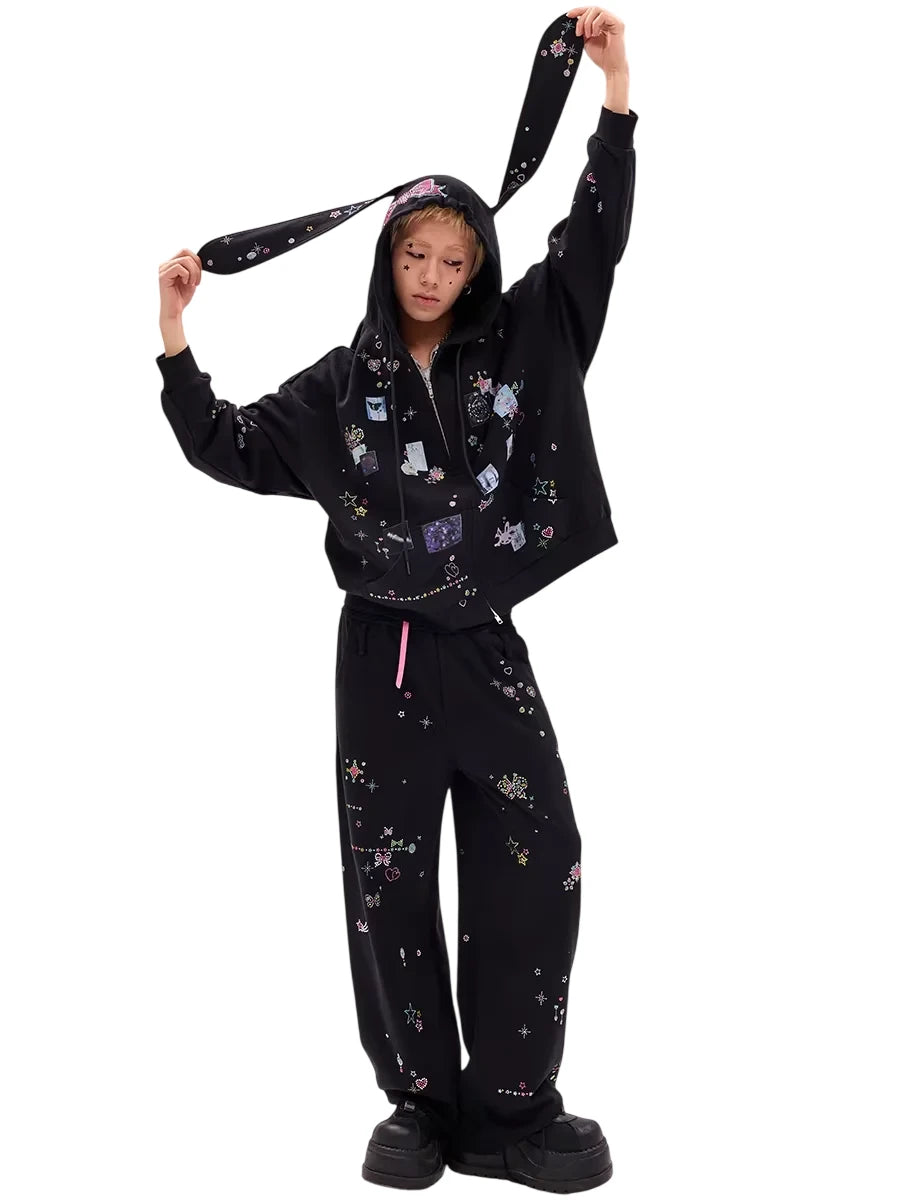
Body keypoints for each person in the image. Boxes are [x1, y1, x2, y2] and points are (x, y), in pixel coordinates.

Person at [156, 8, 637, 1192]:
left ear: (477, 268)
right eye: (414, 256)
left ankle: (512, 1108)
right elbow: (226, 445)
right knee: (387, 880)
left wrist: (615, 95)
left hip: (484, 648)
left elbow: (592, 242)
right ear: (388, 260)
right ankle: (419, 1107)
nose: (431, 277)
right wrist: (174, 338)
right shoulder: (338, 388)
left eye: (452, 261)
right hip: (383, 658)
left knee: (539, 854)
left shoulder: (523, 341)